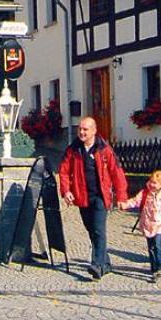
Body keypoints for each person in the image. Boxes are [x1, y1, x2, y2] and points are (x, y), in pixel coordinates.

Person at [57, 116, 129, 280]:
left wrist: (122, 196)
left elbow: (116, 172)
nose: (81, 132)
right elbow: (64, 171)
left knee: (98, 230)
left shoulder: (104, 149)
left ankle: (96, 265)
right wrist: (66, 190)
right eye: (80, 129)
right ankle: (106, 263)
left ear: (94, 131)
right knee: (92, 230)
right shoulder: (73, 149)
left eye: (85, 129)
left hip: (100, 197)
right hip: (83, 197)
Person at [120, 169, 161, 281]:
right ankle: (153, 267)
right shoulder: (145, 193)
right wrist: (126, 205)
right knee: (151, 247)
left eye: (155, 183)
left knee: (157, 245)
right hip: (147, 223)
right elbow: (135, 201)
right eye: (151, 182)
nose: (152, 184)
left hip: (159, 224)